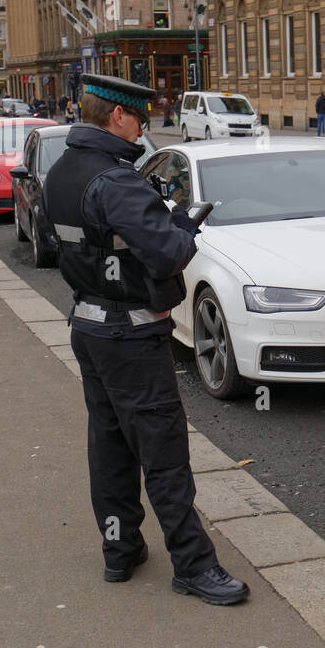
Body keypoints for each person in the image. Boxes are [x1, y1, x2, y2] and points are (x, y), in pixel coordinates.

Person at [41, 74, 249, 606]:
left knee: (109, 444)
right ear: (116, 116)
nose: (144, 127)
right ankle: (194, 567)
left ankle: (120, 551)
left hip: (88, 325)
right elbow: (169, 254)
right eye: (139, 117)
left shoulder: (62, 170)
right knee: (163, 452)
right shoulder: (117, 180)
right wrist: (181, 224)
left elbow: (66, 244)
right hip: (130, 333)